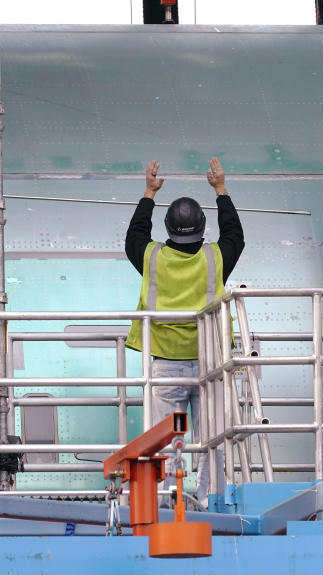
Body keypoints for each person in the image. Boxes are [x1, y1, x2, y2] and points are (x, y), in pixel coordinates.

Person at [125, 157, 244, 506]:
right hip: (210, 363)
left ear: (168, 228)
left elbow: (134, 236)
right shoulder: (216, 258)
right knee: (212, 436)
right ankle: (210, 499)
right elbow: (235, 235)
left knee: (166, 432)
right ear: (202, 227)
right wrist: (220, 189)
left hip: (167, 363)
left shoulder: (151, 258)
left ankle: (165, 496)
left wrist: (149, 192)